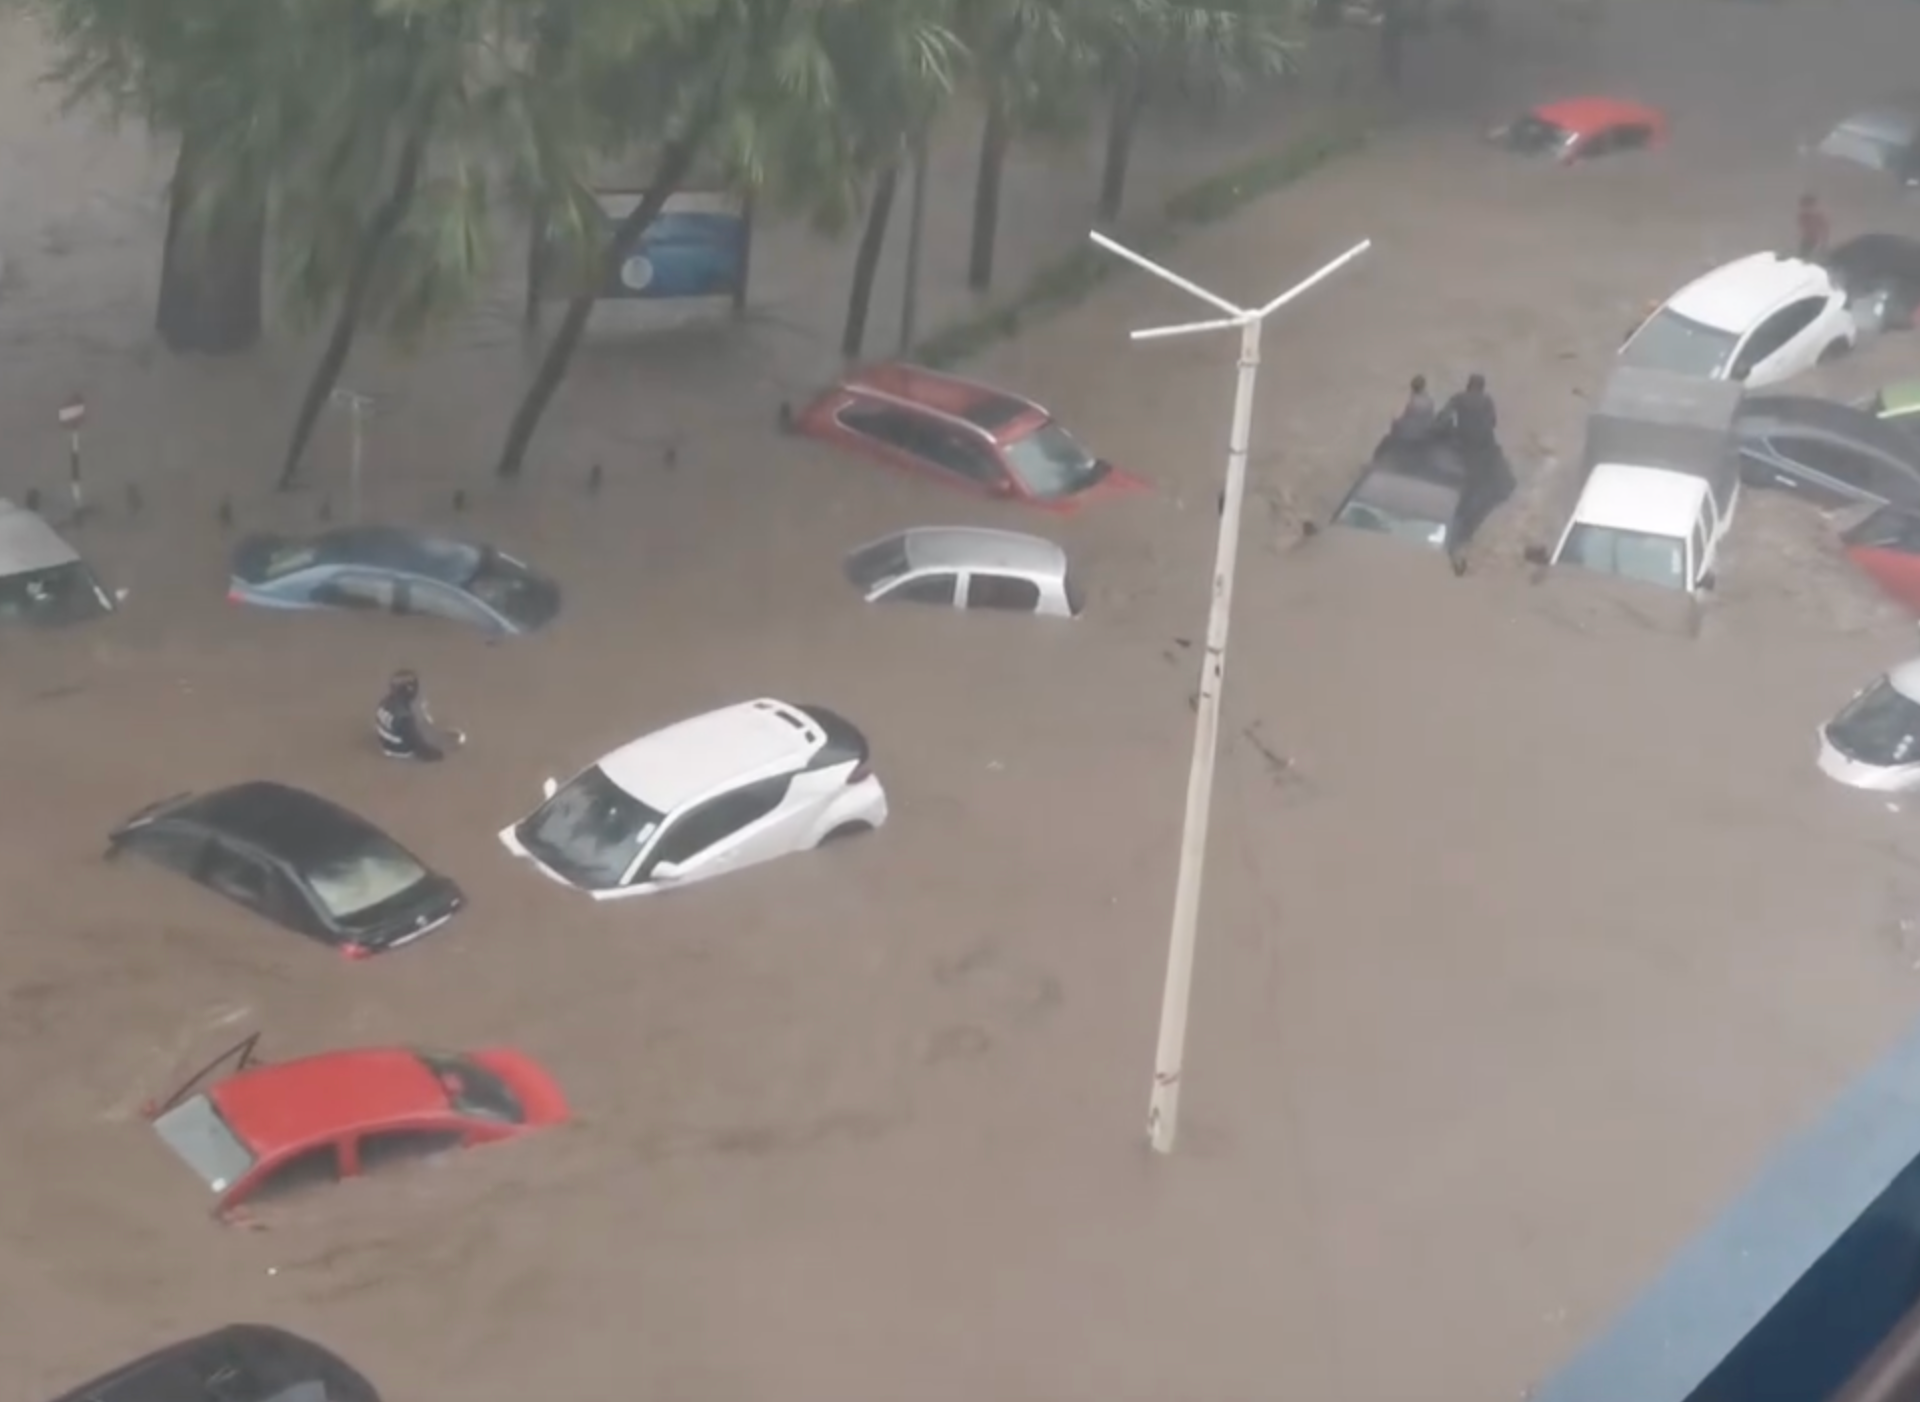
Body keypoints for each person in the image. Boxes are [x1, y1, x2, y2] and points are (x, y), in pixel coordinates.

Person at [374, 669, 464, 762]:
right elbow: (418, 747)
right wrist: (437, 754)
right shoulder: (405, 717)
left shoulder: (385, 702)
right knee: (414, 735)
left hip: (385, 743)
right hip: (400, 750)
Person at [1440, 373, 1498, 451]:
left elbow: (1444, 415)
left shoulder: (1459, 397)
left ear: (1469, 384)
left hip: (1462, 438)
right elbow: (1493, 422)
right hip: (1481, 442)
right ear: (1482, 386)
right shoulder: (1487, 400)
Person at [1390, 374, 1437, 444]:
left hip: (1414, 432)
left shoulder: (1413, 403)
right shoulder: (1430, 400)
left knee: (1394, 423)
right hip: (1426, 430)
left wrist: (1395, 421)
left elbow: (1406, 418)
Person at [1796, 193, 1830, 261]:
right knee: (1804, 256)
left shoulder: (1818, 216)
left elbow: (1824, 229)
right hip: (1808, 240)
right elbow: (1803, 228)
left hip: (1816, 241)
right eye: (1803, 205)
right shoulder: (1803, 216)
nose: (1805, 207)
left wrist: (1822, 242)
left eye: (1807, 204)